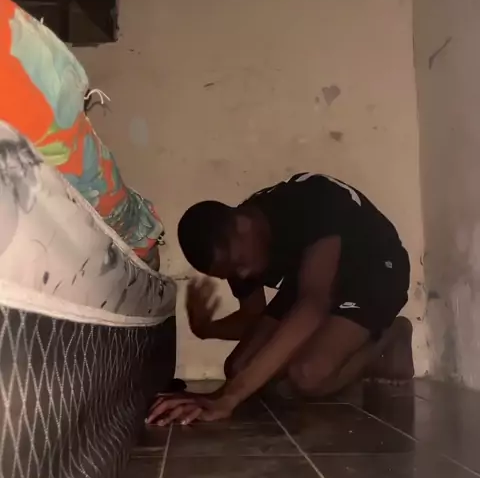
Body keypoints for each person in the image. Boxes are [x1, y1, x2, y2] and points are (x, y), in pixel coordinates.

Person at [147, 173, 414, 426]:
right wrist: (206, 329)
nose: (243, 275)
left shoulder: (312, 201)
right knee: (238, 367)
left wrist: (229, 398)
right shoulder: (240, 249)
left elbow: (312, 305)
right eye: (230, 274)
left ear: (243, 224)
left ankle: (389, 337)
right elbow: (252, 317)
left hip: (374, 270)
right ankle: (333, 346)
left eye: (239, 264)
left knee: (307, 375)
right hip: (313, 282)